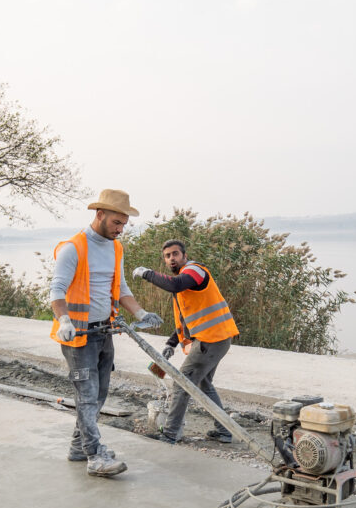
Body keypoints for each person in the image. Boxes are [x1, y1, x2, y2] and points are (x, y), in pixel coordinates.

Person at [50, 189, 163, 478]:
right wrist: (64, 320)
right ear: (99, 215)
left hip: (104, 332)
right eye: (116, 222)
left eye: (124, 224)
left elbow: (121, 288)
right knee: (87, 397)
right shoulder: (73, 248)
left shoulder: (116, 248)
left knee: (99, 397)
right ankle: (95, 456)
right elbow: (56, 292)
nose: (120, 229)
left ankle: (79, 447)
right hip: (78, 336)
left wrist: (140, 314)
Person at [132, 239, 239, 444]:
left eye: (175, 254)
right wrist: (171, 344)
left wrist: (147, 273)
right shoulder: (184, 282)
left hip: (212, 339)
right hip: (214, 339)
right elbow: (186, 319)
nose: (171, 258)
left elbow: (175, 284)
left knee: (181, 384)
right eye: (167, 256)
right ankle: (224, 431)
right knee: (203, 384)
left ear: (184, 256)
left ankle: (170, 434)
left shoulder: (196, 271)